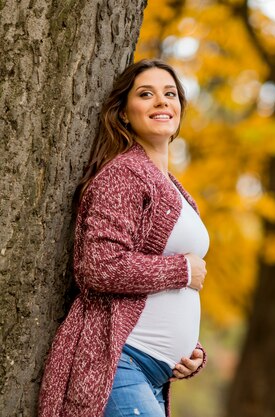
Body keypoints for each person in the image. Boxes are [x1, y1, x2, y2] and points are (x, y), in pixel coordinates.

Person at [38, 59, 210, 417]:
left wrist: (191, 352)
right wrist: (181, 270)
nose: (162, 102)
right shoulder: (124, 175)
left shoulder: (172, 187)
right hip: (118, 362)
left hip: (156, 375)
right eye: (146, 94)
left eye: (170, 94)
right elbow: (98, 267)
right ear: (123, 114)